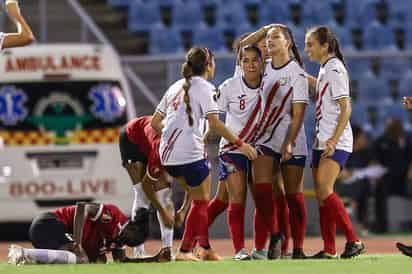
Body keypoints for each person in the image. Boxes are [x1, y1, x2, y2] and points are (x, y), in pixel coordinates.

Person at [148, 47, 257, 261]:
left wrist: (174, 135)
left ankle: (205, 247)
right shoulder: (206, 88)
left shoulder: (175, 87)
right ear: (209, 65)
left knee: (197, 195)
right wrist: (240, 144)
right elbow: (215, 123)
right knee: (201, 201)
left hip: (167, 155)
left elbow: (155, 122)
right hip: (188, 154)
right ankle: (185, 251)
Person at [248, 24, 309, 260]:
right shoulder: (263, 68)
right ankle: (275, 234)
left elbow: (299, 113)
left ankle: (298, 249)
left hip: (292, 137)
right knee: (261, 185)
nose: (269, 40)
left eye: (275, 37)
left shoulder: (297, 73)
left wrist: (289, 143)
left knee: (294, 196)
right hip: (265, 137)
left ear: (288, 43)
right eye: (268, 38)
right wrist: (264, 30)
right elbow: (242, 47)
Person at [304, 25, 365, 259]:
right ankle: (329, 249)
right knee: (321, 195)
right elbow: (323, 92)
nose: (307, 49)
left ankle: (354, 239)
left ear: (325, 46)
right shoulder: (325, 69)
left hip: (334, 140)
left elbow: (345, 108)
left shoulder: (335, 69)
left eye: (310, 44)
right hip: (323, 139)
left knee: (324, 189)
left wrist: (334, 139)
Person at [214, 45, 264, 260]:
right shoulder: (229, 86)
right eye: (246, 60)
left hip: (260, 147)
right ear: (240, 63)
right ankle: (239, 250)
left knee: (262, 198)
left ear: (262, 62)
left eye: (255, 60)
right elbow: (214, 119)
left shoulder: (270, 85)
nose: (250, 64)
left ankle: (260, 249)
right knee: (237, 198)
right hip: (232, 149)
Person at [8, 202, 150, 265]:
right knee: (81, 259)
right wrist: (77, 243)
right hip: (48, 223)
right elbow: (83, 207)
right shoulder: (114, 216)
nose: (131, 243)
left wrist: (153, 259)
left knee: (83, 261)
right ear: (134, 228)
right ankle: (23, 253)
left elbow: (122, 261)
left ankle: (30, 257)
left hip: (53, 237)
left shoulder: (119, 239)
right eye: (137, 239)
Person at [119, 116, 178, 261]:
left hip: (150, 141)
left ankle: (167, 250)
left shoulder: (184, 149)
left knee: (165, 194)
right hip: (131, 138)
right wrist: (163, 212)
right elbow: (147, 186)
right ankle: (138, 251)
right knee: (141, 194)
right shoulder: (159, 150)